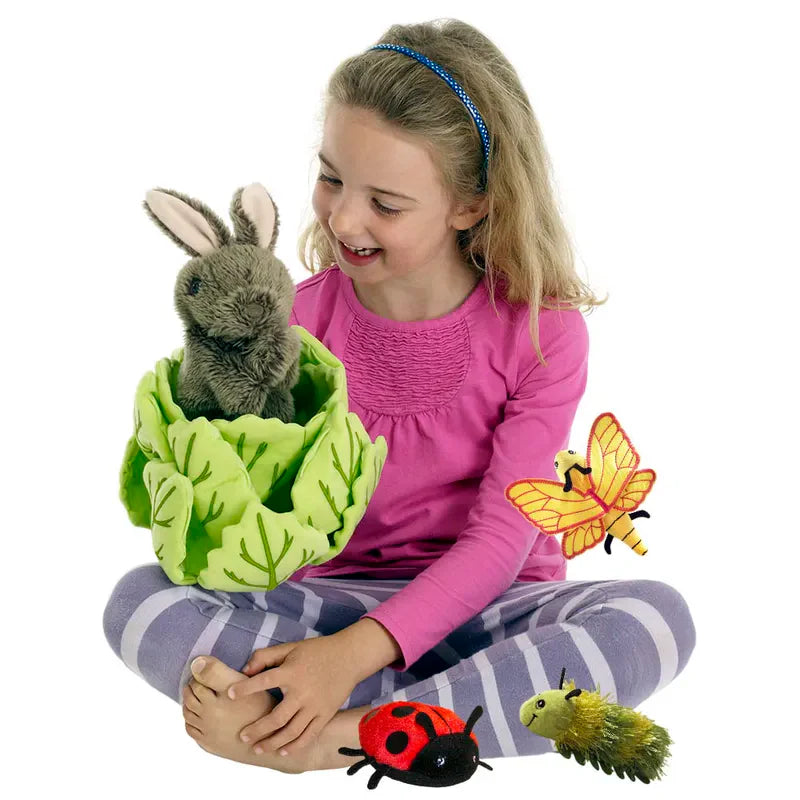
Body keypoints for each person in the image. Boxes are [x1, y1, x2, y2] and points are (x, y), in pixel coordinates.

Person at [103, 19, 695, 776]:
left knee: (656, 620)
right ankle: (429, 715)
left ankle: (333, 732)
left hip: (493, 607)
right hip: (325, 603)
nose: (343, 218)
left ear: (471, 206)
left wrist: (346, 661)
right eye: (331, 178)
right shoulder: (292, 324)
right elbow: (250, 501)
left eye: (385, 202)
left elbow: (498, 542)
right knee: (138, 600)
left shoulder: (542, 334)